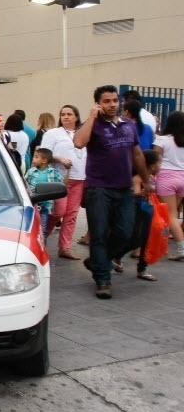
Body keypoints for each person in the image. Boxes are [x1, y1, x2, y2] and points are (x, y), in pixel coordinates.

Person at [74, 84, 151, 299]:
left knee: (126, 232)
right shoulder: (92, 124)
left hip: (124, 188)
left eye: (115, 100)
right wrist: (91, 117)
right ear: (98, 104)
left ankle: (96, 261)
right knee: (99, 234)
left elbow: (137, 154)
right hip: (98, 189)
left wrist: (146, 180)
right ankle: (103, 279)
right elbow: (79, 142)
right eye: (106, 101)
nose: (112, 105)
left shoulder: (128, 124)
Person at [42, 104, 87, 259]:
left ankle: (65, 247)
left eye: (69, 114)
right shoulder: (53, 133)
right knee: (58, 212)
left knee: (71, 214)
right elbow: (43, 154)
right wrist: (59, 158)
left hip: (79, 177)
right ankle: (41, 237)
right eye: (63, 114)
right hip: (59, 178)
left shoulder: (83, 133)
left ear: (76, 117)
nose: (66, 117)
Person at [113, 149, 161, 281]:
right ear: (152, 166)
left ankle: (142, 269)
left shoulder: (151, 177)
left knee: (146, 240)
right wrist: (144, 192)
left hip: (148, 211)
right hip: (137, 210)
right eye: (159, 163)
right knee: (136, 239)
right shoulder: (138, 178)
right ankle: (116, 255)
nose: (161, 166)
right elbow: (134, 194)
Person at [154, 110, 184, 261]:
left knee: (169, 215)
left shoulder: (162, 140)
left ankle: (181, 248)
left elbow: (155, 161)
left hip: (166, 178)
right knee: (171, 213)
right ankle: (163, 243)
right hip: (183, 178)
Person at [24, 148, 64, 237]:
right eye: (34, 157)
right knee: (28, 228)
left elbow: (62, 183)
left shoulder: (53, 172)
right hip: (32, 205)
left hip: (45, 207)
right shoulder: (31, 171)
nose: (33, 159)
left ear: (44, 161)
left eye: (36, 157)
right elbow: (24, 183)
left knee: (42, 231)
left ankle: (42, 244)